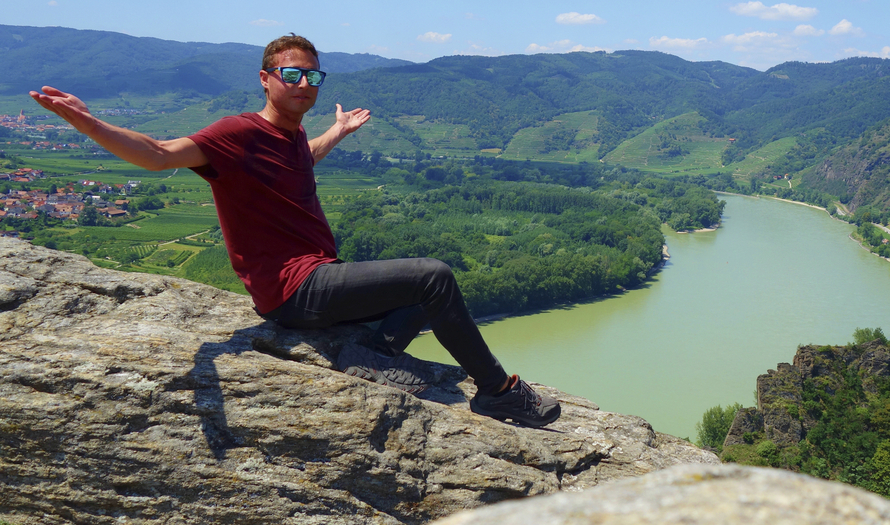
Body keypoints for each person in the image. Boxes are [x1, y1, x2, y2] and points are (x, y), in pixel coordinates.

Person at [30, 33, 560, 428]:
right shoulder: (236, 134)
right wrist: (89, 122)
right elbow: (158, 155)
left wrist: (336, 130)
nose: (304, 83)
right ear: (266, 79)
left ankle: (370, 355)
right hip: (292, 290)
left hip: (318, 279)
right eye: (292, 75)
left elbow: (300, 162)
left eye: (313, 76)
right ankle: (496, 390)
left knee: (432, 294)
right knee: (433, 277)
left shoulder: (290, 137)